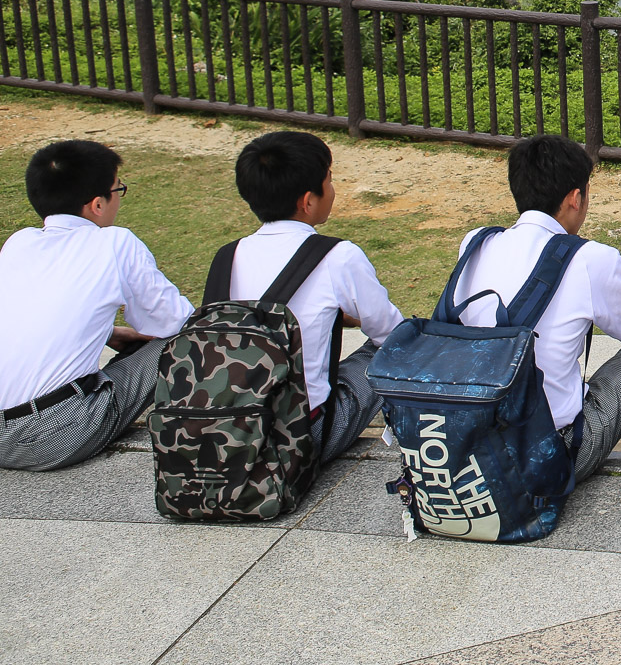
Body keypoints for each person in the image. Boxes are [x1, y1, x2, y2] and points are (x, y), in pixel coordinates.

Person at [449, 134, 621, 482]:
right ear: (575, 198)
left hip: (470, 439)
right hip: (546, 453)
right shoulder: (590, 259)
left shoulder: (476, 242)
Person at [0, 140, 193, 471]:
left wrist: (107, 332)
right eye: (118, 188)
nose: (120, 196)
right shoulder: (115, 243)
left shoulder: (18, 243)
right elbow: (175, 322)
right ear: (97, 205)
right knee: (185, 341)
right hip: (50, 437)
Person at [229, 131, 402, 465]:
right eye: (329, 180)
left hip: (227, 431)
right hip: (298, 441)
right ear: (308, 201)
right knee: (383, 352)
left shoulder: (226, 257)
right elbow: (390, 334)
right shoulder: (337, 255)